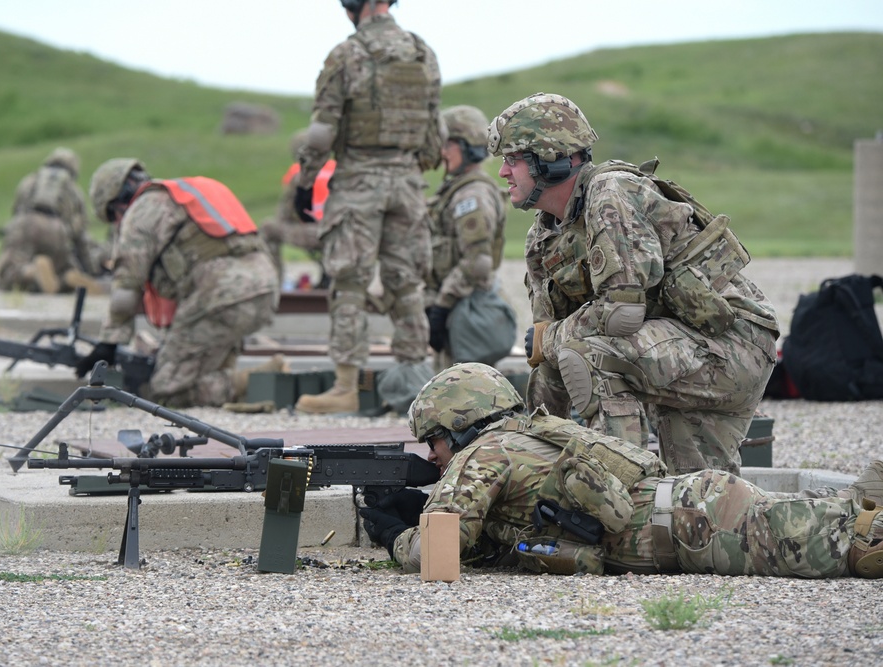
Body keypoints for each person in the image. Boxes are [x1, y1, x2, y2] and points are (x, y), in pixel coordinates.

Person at [359, 363, 883, 579]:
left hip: (693, 528)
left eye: (435, 442)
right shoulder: (531, 434)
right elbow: (500, 539)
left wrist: (398, 534)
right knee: (831, 520)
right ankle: (868, 499)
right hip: (693, 505)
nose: (432, 457)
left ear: (461, 425)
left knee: (854, 551)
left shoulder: (483, 455)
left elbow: (438, 557)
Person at [487, 93, 780, 475]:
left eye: (513, 160)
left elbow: (621, 315)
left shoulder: (611, 195)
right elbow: (546, 355)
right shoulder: (543, 237)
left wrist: (552, 339)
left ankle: (620, 489)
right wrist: (534, 451)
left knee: (588, 354)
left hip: (733, 345)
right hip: (678, 350)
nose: (503, 173)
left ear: (550, 161)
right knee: (697, 505)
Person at [291, 0, 443, 414]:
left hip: (358, 181)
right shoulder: (421, 51)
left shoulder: (346, 54)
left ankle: (344, 388)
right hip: (408, 182)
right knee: (407, 282)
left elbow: (323, 131)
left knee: (349, 282)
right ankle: (417, 383)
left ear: (351, 8)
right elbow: (434, 128)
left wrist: (306, 183)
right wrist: (414, 166)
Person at [75, 158, 283, 407]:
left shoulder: (141, 211)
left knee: (166, 390)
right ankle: (239, 384)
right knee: (193, 366)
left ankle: (257, 381)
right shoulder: (180, 197)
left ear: (117, 203)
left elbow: (125, 290)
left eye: (113, 217)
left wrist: (108, 343)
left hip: (222, 298)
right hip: (263, 287)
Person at [424, 105, 509, 371]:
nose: (443, 152)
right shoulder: (455, 190)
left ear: (469, 146)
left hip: (465, 306)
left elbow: (478, 262)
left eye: (449, 144)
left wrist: (442, 306)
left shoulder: (472, 196)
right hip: (454, 304)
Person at [0, 147, 110, 294]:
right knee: (58, 268)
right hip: (58, 229)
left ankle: (32, 271)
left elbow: (17, 212)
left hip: (27, 222)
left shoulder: (29, 181)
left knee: (9, 273)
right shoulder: (74, 190)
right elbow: (80, 235)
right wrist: (90, 269)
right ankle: (68, 276)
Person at [259, 129, 335, 289]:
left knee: (269, 229)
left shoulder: (299, 174)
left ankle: (275, 284)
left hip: (315, 233)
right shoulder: (337, 170)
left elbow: (286, 212)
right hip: (342, 234)